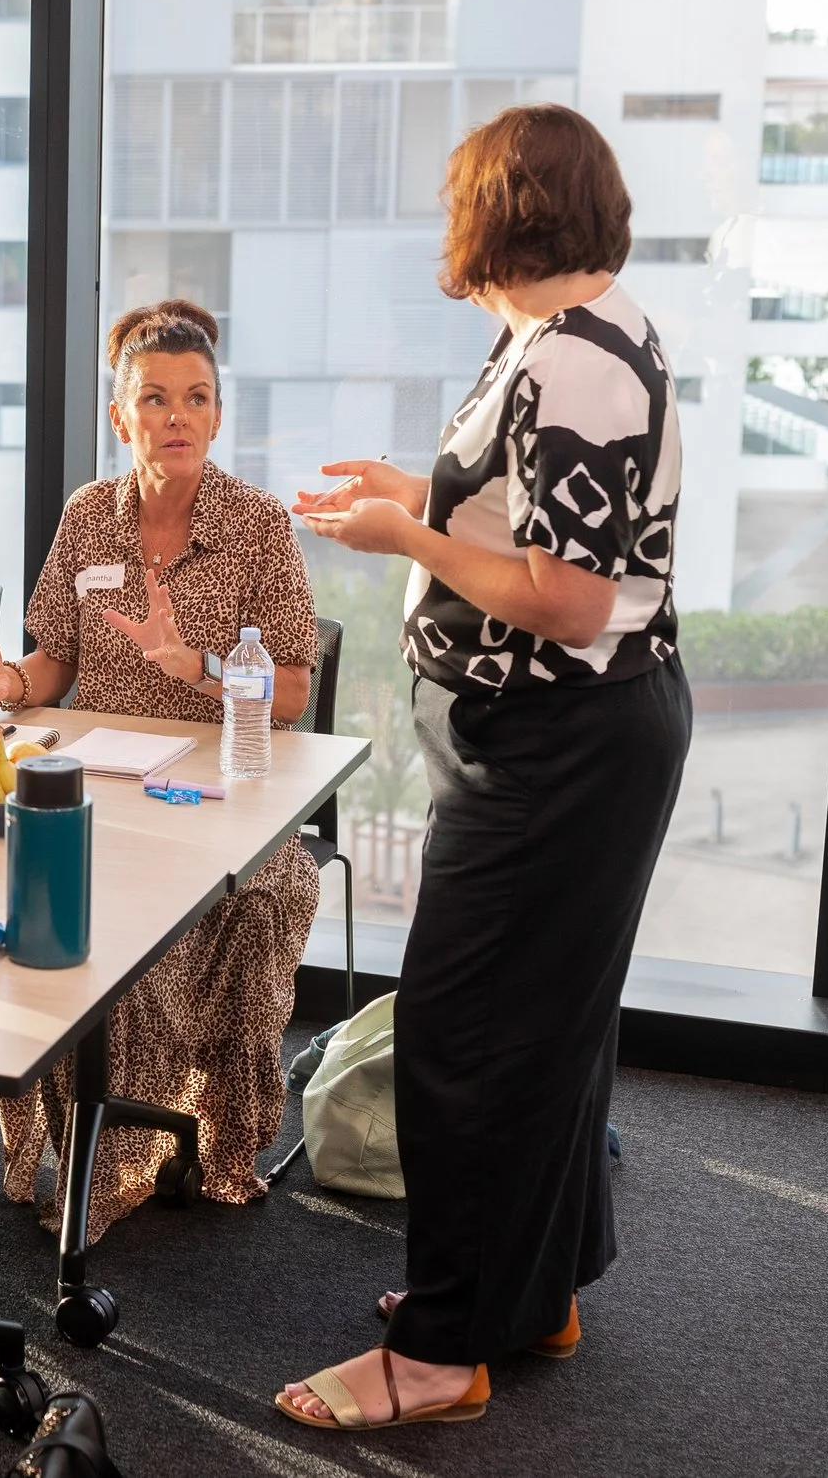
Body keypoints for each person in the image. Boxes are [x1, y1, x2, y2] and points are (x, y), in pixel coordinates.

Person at [277, 104, 688, 1432]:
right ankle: (532, 1290)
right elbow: (522, 508)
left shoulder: (572, 362)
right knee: (548, 1030)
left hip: (558, 744)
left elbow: (567, 597)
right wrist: (413, 492)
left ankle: (442, 1354)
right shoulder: (575, 337)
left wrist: (407, 536)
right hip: (570, 736)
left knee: (467, 1035)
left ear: (496, 214)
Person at [0, 298, 319, 1236]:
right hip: (103, 781)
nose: (178, 416)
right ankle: (78, 1138)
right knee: (56, 891)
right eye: (154, 399)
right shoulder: (86, 517)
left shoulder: (258, 524)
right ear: (123, 418)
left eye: (197, 397)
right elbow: (55, 664)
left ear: (219, 413)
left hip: (226, 785)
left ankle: (136, 1153)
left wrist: (196, 665)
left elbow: (293, 693)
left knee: (249, 894)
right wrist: (7, 682)